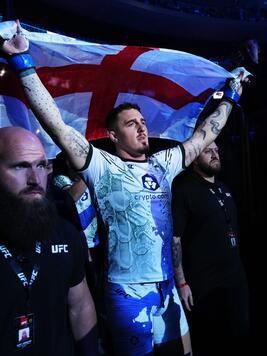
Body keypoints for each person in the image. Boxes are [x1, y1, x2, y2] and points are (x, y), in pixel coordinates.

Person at [0, 20, 247, 356]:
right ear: (114, 135)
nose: (142, 129)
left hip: (167, 289)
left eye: (143, 123)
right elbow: (56, 124)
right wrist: (23, 63)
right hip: (128, 293)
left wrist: (231, 96)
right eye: (132, 124)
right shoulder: (102, 166)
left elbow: (204, 135)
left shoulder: (164, 164)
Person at [0, 126, 99, 356]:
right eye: (20, 166)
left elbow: (80, 305)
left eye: (41, 165)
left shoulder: (66, 233)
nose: (35, 179)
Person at [171, 141, 250, 356]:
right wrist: (182, 283)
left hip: (235, 281)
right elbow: (175, 238)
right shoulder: (185, 190)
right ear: (195, 157)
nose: (215, 155)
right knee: (212, 342)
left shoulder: (224, 188)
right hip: (205, 285)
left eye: (217, 150)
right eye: (208, 151)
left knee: (239, 337)